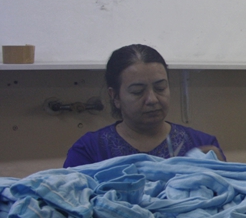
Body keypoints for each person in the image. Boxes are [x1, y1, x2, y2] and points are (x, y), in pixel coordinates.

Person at [64, 45, 225, 168]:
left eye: (160, 88)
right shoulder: (89, 150)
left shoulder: (202, 145)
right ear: (115, 96)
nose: (152, 99)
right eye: (138, 91)